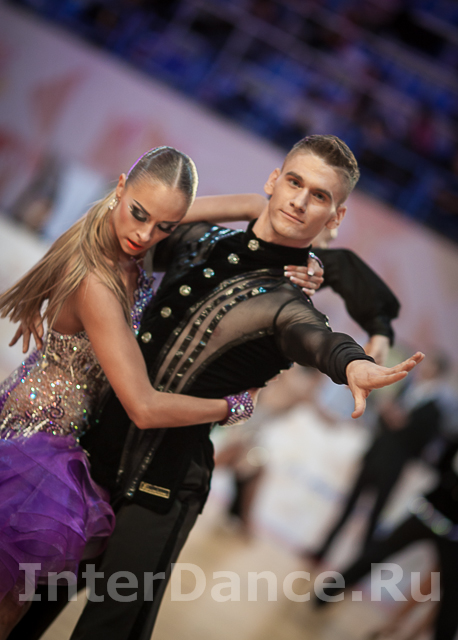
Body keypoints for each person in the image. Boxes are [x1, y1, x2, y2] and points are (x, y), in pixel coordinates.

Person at [10, 134, 423, 640]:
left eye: (319, 196)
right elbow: (139, 215)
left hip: (160, 491)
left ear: (335, 217)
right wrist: (256, 207)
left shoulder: (289, 303)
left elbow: (319, 339)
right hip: (87, 466)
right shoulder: (199, 241)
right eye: (293, 182)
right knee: (21, 616)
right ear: (273, 180)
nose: (299, 200)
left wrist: (354, 362)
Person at [0, 146, 258, 639]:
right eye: (139, 214)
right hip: (39, 441)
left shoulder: (117, 230)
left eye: (164, 227)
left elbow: (217, 208)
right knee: (8, 606)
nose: (146, 235)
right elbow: (143, 405)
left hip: (53, 430)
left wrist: (284, 236)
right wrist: (232, 406)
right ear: (119, 187)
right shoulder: (97, 281)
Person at [306, 350, 449, 564]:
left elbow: (422, 443)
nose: (425, 368)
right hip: (375, 456)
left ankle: (360, 564)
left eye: (430, 365)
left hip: (393, 466)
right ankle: (322, 551)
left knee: (374, 517)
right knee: (348, 506)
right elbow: (383, 420)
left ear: (437, 371)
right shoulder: (408, 388)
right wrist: (386, 414)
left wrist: (403, 424)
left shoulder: (435, 409)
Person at [314, 437, 458, 640]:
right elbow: (441, 460)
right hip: (427, 512)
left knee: (452, 599)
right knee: (377, 553)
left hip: (453, 534)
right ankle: (327, 592)